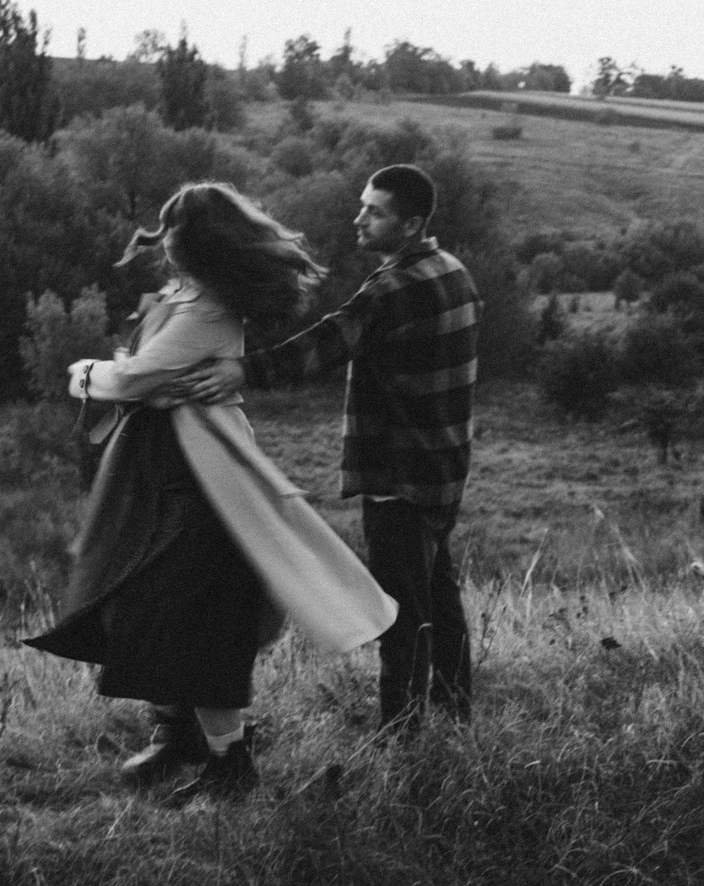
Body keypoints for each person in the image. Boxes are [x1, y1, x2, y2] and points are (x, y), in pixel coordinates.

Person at [26, 182, 396, 799]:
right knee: (149, 603)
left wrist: (85, 372)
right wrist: (133, 377)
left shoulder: (205, 311)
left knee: (193, 617)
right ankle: (180, 736)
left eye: (172, 232)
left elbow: (135, 376)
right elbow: (145, 373)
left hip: (200, 481)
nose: (162, 241)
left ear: (192, 244)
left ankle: (226, 761)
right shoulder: (186, 295)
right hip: (162, 471)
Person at [183, 164, 482, 733]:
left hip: (401, 474)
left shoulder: (392, 289)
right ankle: (454, 711)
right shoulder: (455, 272)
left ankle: (404, 734)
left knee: (399, 610)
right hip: (446, 468)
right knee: (439, 598)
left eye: (376, 211)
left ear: (413, 223)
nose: (359, 219)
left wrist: (242, 371)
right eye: (363, 205)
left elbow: (324, 344)